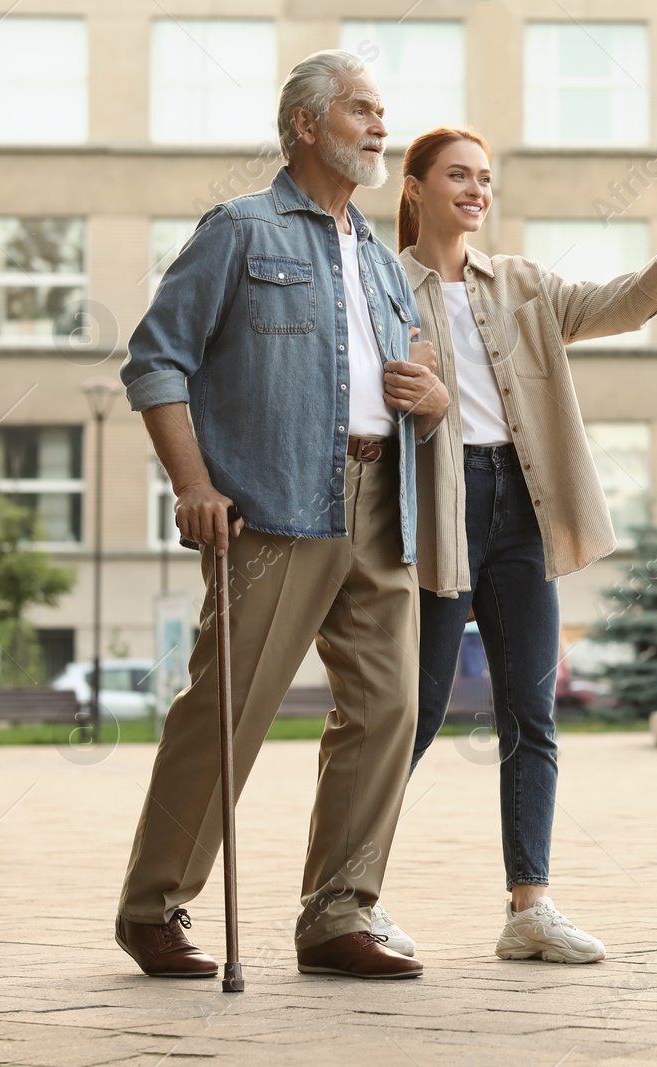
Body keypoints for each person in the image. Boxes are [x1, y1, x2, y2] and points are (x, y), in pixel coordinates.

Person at [370, 127, 657, 963]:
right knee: (416, 713)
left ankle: (530, 907)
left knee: (530, 714)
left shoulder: (520, 284)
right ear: (416, 186)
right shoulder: (381, 284)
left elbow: (616, 305)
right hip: (437, 506)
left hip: (521, 506)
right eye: (459, 176)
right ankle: (349, 892)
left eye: (485, 179)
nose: (477, 190)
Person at [114, 50, 449, 981]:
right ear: (306, 125)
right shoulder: (240, 230)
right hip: (269, 506)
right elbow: (156, 362)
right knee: (231, 711)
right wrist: (194, 484)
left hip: (384, 504)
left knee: (388, 709)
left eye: (383, 113)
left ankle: (339, 912)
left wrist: (428, 391)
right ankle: (154, 905)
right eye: (361, 111)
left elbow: (409, 374)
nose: (380, 127)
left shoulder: (382, 262)